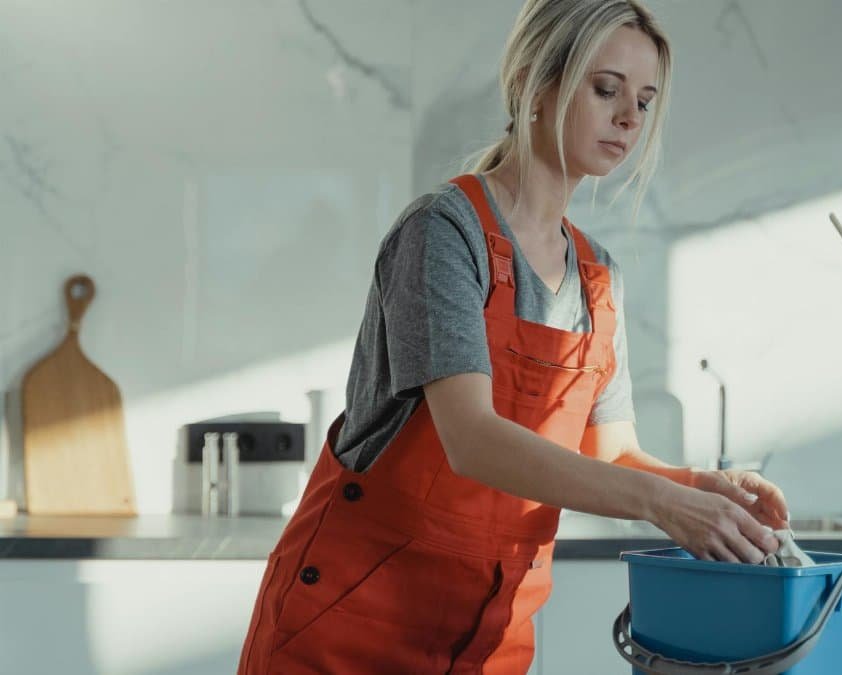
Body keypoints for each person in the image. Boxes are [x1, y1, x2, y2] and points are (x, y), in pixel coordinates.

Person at [238, 1, 789, 672]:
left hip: (486, 639)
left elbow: (612, 456)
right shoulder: (444, 233)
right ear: (535, 82)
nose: (629, 118)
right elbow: (471, 438)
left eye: (643, 101)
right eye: (606, 88)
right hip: (349, 628)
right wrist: (664, 504)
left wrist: (702, 489)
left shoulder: (596, 277)